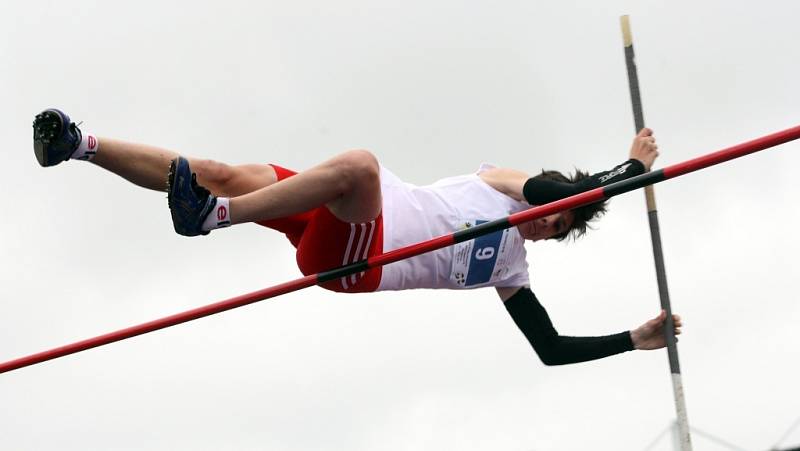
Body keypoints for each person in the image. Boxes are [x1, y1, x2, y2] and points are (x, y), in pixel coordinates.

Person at [32, 108, 682, 366]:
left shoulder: (510, 269)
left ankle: (212, 218)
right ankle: (80, 145)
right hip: (335, 213)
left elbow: (551, 348)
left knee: (359, 165)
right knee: (220, 173)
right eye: (551, 208)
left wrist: (635, 338)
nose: (544, 218)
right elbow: (550, 192)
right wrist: (623, 169)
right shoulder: (504, 182)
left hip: (359, 256)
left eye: (557, 226)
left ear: (551, 238)